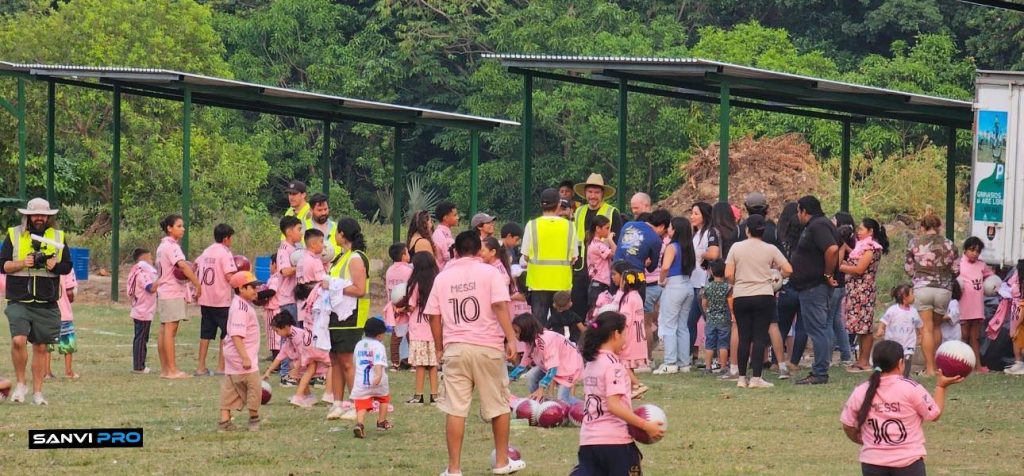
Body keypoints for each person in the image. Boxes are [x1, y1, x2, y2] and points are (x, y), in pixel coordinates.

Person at [425, 231, 523, 476]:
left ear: (455, 251)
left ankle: (454, 468)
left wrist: (439, 347)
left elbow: (433, 316)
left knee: (456, 409)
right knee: (499, 406)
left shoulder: (443, 278)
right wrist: (511, 338)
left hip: (455, 348)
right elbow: (500, 305)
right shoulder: (490, 273)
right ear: (479, 249)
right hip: (487, 347)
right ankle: (501, 462)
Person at [840, 340, 963, 476]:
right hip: (908, 464)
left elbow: (847, 424)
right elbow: (934, 414)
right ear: (900, 363)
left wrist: (860, 439)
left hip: (872, 464)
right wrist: (941, 387)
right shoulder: (911, 388)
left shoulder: (861, 391)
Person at [573, 311, 664, 476]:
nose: (625, 338)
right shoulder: (613, 365)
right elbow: (614, 406)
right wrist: (645, 425)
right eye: (625, 333)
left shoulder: (592, 362)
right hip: (615, 442)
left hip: (588, 441)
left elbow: (600, 396)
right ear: (616, 334)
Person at [1, 198, 74, 404]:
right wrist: (23, 263)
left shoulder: (58, 236)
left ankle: (38, 393)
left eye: (44, 215)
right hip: (19, 299)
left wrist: (53, 265)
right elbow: (2, 265)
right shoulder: (14, 234)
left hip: (47, 301)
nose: (40, 218)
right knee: (18, 340)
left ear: (49, 216)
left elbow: (67, 267)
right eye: (36, 214)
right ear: (28, 215)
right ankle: (21, 384)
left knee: (41, 347)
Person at [726, 214, 792, 388]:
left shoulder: (736, 247)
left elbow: (728, 274)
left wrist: (737, 282)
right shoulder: (770, 249)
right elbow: (788, 269)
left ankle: (741, 377)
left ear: (747, 229)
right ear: (763, 231)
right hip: (764, 295)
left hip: (741, 295)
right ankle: (756, 377)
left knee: (744, 336)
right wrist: (777, 277)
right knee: (759, 336)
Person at [789, 196, 839, 385]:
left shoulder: (818, 226)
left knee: (818, 329)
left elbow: (833, 249)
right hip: (813, 285)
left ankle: (820, 372)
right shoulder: (822, 225)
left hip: (814, 286)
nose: (797, 215)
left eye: (798, 211)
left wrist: (827, 274)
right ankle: (821, 369)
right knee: (822, 328)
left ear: (804, 211)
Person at [904, 208, 959, 377]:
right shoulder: (949, 244)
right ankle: (936, 366)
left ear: (922, 227)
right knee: (936, 326)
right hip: (943, 290)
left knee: (926, 328)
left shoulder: (914, 243)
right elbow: (956, 270)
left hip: (922, 288)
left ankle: (929, 369)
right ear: (939, 226)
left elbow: (908, 268)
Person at [326, 218, 370, 421]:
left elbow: (360, 290)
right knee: (334, 360)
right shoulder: (341, 258)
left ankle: (356, 403)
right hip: (335, 314)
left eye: (336, 233)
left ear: (342, 234)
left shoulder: (356, 258)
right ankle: (337, 403)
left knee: (347, 362)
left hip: (351, 317)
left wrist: (334, 287)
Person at [614, 209, 669, 369]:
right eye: (664, 232)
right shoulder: (656, 239)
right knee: (639, 320)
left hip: (616, 274)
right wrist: (646, 260)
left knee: (618, 315)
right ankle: (644, 357)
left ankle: (617, 352)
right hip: (636, 279)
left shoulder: (628, 225)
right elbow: (652, 268)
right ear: (662, 227)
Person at [573, 174, 624, 338]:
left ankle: (599, 340)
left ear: (602, 194)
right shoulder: (579, 211)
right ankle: (578, 343)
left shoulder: (611, 212)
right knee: (578, 306)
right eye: (589, 192)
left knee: (600, 308)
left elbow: (616, 239)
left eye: (596, 192)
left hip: (603, 272)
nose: (592, 196)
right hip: (581, 267)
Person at [155, 213, 201, 380]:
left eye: (183, 226)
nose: (183, 229)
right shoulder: (172, 247)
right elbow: (183, 266)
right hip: (171, 292)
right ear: (169, 228)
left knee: (164, 329)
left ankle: (165, 369)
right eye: (179, 226)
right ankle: (172, 370)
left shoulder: (161, 247)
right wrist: (197, 283)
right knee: (170, 330)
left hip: (164, 291)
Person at [523, 188, 578, 325]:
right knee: (559, 325)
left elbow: (525, 256)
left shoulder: (532, 225)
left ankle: (537, 347)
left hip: (538, 282)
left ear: (541, 205)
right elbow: (574, 257)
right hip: (561, 282)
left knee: (538, 325)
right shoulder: (570, 226)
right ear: (559, 204)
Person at [842, 218, 889, 372]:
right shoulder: (863, 247)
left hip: (863, 291)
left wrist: (839, 266)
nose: (858, 232)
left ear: (870, 232)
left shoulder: (871, 248)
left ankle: (864, 362)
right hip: (857, 290)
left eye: (861, 229)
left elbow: (859, 269)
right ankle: (861, 360)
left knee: (865, 328)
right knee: (860, 327)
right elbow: (856, 258)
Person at [219, 271, 263, 432]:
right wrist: (245, 358)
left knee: (230, 387)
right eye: (252, 288)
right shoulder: (240, 308)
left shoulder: (241, 304)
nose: (256, 291)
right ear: (241, 288)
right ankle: (254, 418)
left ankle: (224, 422)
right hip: (242, 356)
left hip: (234, 355)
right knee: (253, 387)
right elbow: (237, 335)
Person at [654, 216, 697, 374]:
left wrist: (661, 281)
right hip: (687, 285)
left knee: (669, 325)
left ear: (676, 230)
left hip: (674, 285)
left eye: (670, 227)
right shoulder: (688, 247)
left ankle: (670, 362)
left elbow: (665, 267)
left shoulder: (672, 247)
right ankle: (684, 362)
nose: (668, 230)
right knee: (682, 326)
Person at [509, 313, 583, 404]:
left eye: (516, 332)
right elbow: (524, 362)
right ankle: (539, 404)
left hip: (570, 366)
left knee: (563, 399)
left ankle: (586, 407)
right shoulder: (530, 340)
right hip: (555, 365)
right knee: (531, 376)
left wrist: (541, 388)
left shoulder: (545, 341)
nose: (515, 335)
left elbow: (552, 368)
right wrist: (509, 379)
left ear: (526, 330)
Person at [195, 223, 239, 377]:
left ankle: (200, 367)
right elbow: (229, 276)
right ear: (226, 238)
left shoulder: (207, 251)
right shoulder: (225, 253)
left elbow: (195, 265)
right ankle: (221, 366)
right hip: (221, 300)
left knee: (205, 333)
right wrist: (242, 279)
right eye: (231, 238)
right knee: (225, 333)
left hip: (205, 299)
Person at [263, 312, 331, 408]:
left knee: (307, 369)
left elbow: (303, 353)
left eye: (277, 331)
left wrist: (297, 368)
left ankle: (300, 396)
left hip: (316, 354)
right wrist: (269, 371)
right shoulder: (289, 337)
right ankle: (308, 396)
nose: (277, 334)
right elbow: (281, 355)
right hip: (309, 356)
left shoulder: (297, 335)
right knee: (298, 368)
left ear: (285, 327)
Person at [401, 251, 440, 404]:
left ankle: (418, 395)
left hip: (418, 327)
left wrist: (401, 309)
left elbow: (411, 306)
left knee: (420, 365)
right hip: (433, 328)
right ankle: (435, 395)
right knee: (433, 364)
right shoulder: (437, 282)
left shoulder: (416, 284)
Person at [609, 261, 648, 398]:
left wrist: (619, 337)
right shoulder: (637, 296)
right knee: (628, 365)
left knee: (622, 363)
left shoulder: (627, 298)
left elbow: (625, 320)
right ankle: (634, 389)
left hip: (630, 337)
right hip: (638, 337)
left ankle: (638, 385)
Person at [351, 317, 393, 438]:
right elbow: (378, 362)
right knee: (384, 398)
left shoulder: (359, 344)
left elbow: (355, 361)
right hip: (377, 379)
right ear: (379, 335)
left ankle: (359, 423)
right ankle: (381, 422)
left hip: (361, 381)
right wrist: (379, 375)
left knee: (362, 402)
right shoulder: (378, 345)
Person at [688, 202, 719, 364]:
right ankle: (690, 356)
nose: (692, 216)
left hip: (704, 284)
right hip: (693, 283)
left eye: (696, 213)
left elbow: (714, 254)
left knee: (710, 321)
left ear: (705, 216)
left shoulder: (710, 232)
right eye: (692, 213)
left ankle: (715, 358)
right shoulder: (695, 234)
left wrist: (701, 254)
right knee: (690, 321)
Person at [957, 237, 993, 372]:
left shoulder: (981, 265)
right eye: (972, 250)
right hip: (964, 305)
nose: (975, 254)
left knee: (975, 337)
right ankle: (961, 365)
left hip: (977, 306)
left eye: (978, 251)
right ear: (965, 250)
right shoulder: (959, 264)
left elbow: (991, 278)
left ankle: (977, 365)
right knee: (964, 336)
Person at [875, 285, 924, 378]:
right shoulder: (893, 310)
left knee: (907, 360)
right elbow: (884, 320)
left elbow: (919, 325)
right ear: (905, 297)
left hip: (908, 343)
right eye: (912, 293)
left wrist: (921, 335)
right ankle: (891, 376)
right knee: (893, 361)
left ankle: (904, 378)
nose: (914, 296)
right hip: (893, 343)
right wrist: (880, 328)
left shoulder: (913, 311)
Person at [482, 237, 532, 318]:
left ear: (493, 252)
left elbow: (500, 302)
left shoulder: (495, 272)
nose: (479, 253)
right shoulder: (499, 268)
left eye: (482, 250)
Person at [127, 247, 159, 373]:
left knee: (140, 337)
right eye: (150, 258)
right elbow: (150, 288)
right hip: (143, 310)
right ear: (144, 258)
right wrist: (162, 280)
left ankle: (140, 364)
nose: (152, 261)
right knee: (141, 338)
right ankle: (139, 366)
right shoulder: (142, 273)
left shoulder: (135, 271)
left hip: (140, 308)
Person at [383, 243, 413, 369]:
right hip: (407, 307)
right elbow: (412, 289)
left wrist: (394, 306)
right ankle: (414, 362)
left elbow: (388, 290)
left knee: (396, 336)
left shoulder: (389, 271)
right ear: (403, 256)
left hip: (394, 307)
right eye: (407, 252)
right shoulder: (409, 270)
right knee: (411, 335)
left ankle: (395, 363)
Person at [702, 260, 731, 375]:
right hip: (724, 318)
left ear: (712, 273)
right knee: (723, 344)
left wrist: (707, 312)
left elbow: (704, 303)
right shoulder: (727, 287)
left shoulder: (708, 287)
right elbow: (730, 303)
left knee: (709, 344)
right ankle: (723, 367)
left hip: (711, 319)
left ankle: (708, 367)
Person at [52, 272, 79, 379]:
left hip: (46, 312)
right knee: (67, 342)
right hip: (63, 312)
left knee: (45, 344)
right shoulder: (66, 266)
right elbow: (69, 291)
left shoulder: (42, 263)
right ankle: (68, 372)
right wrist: (71, 298)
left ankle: (46, 372)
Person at [586, 215, 616, 309]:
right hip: (600, 284)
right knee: (599, 313)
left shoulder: (595, 243)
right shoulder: (598, 245)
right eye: (607, 228)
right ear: (598, 229)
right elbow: (615, 253)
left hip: (597, 283)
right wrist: (611, 240)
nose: (609, 231)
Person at [276, 216, 302, 322]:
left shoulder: (297, 248)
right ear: (289, 232)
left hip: (296, 300)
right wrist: (302, 266)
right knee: (291, 334)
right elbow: (285, 271)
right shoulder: (283, 249)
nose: (302, 233)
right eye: (299, 229)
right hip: (288, 301)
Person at [432, 201, 458, 268]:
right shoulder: (439, 234)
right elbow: (447, 256)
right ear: (445, 218)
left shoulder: (445, 233)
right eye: (455, 215)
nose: (457, 218)